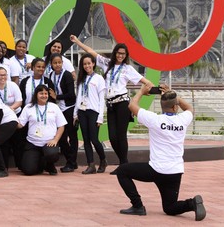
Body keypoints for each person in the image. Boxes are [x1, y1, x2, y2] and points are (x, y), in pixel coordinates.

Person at [115, 85, 206, 221]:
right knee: (170, 208)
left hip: (156, 170)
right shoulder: (183, 119)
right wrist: (173, 95)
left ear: (161, 106)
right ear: (175, 107)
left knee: (122, 171)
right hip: (175, 172)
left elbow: (132, 105)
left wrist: (141, 91)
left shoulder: (155, 119)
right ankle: (192, 203)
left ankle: (138, 206)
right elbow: (190, 109)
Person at [70, 35, 154, 168]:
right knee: (112, 137)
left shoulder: (128, 69)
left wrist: (157, 90)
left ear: (126, 55)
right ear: (115, 53)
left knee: (121, 136)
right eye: (118, 53)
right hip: (110, 105)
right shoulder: (107, 63)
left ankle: (123, 165)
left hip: (122, 103)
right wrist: (78, 42)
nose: (120, 56)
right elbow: (92, 52)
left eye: (123, 54)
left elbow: (146, 82)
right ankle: (123, 163)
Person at [18, 85, 67, 175]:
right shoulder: (28, 107)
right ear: (36, 94)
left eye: (46, 93)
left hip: (49, 143)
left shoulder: (54, 107)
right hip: (33, 143)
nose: (44, 96)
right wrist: (9, 119)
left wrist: (55, 140)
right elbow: (20, 124)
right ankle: (42, 163)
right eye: (41, 93)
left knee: (52, 155)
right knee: (28, 171)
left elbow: (61, 126)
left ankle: (49, 164)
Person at [73, 53, 107, 174]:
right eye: (84, 64)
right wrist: (75, 113)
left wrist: (100, 117)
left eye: (89, 63)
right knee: (86, 140)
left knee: (94, 139)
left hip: (93, 112)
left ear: (93, 64)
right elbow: (79, 97)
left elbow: (101, 99)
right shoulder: (81, 79)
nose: (87, 66)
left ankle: (103, 160)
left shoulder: (99, 78)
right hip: (82, 112)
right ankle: (91, 165)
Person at [47, 53, 78, 172]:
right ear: (51, 64)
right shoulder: (51, 75)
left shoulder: (67, 75)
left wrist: (57, 96)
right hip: (57, 109)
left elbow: (71, 94)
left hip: (69, 108)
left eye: (59, 62)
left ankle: (71, 163)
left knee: (72, 136)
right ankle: (70, 160)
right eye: (55, 63)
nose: (57, 65)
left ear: (62, 63)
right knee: (62, 137)